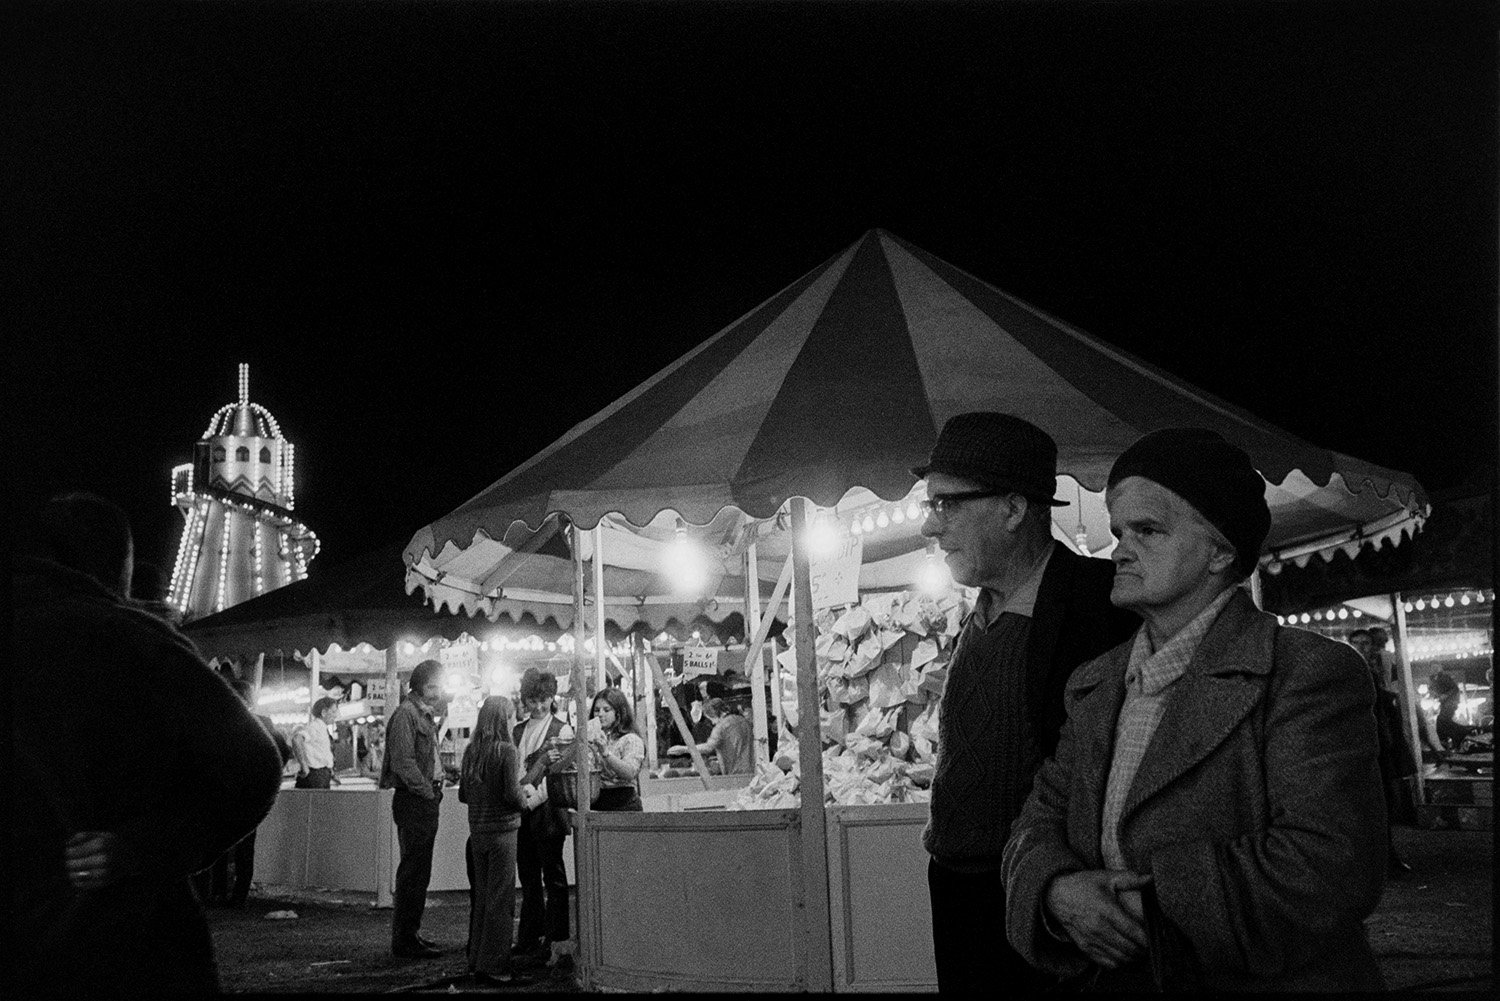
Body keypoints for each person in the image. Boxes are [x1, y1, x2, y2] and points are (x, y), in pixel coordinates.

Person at [1003, 428, 1387, 991]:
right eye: (1119, 531)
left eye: (1148, 530)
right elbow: (1036, 822)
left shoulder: (1305, 674)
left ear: (1221, 551)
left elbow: (1331, 866)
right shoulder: (1096, 684)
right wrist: (1057, 889)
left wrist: (1141, 907)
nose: (1121, 549)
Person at [12, 492, 283, 994]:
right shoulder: (133, 640)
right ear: (120, 565)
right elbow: (254, 764)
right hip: (125, 940)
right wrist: (146, 845)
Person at [911, 412, 1139, 994]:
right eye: (932, 506)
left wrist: (1055, 882)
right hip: (957, 888)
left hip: (1039, 901)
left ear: (1014, 509)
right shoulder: (980, 610)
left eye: (948, 505)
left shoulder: (1097, 604)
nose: (930, 528)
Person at [196, 679, 294, 907]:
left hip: (221, 791)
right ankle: (238, 893)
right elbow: (284, 750)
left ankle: (218, 890)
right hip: (249, 792)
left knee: (220, 843)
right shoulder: (263, 723)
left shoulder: (217, 722)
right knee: (243, 845)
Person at [458, 696, 528, 985]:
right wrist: (526, 800)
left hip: (478, 832)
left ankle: (476, 960)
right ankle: (496, 966)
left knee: (484, 898)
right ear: (504, 719)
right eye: (512, 716)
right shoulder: (507, 751)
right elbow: (512, 795)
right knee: (502, 900)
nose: (514, 721)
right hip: (503, 831)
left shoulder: (471, 751)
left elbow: (463, 794)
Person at [381, 659, 447, 959]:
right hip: (414, 801)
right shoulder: (406, 715)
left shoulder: (422, 715)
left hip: (422, 800)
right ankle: (405, 940)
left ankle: (411, 935)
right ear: (422, 686)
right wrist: (426, 791)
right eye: (435, 685)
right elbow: (403, 762)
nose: (439, 691)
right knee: (413, 872)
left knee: (419, 872)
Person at [513, 668, 573, 963]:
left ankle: (556, 936)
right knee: (528, 877)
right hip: (522, 811)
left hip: (547, 811)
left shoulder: (563, 729)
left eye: (543, 699)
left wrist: (531, 799)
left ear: (552, 698)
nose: (537, 706)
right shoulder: (517, 730)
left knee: (553, 875)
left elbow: (557, 775)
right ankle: (529, 935)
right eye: (532, 700)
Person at [1350, 627, 1418, 878]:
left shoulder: (1373, 670)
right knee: (1377, 803)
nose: (1361, 647)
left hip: (1380, 745)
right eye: (1356, 643)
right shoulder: (1354, 672)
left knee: (1384, 802)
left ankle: (1382, 857)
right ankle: (1381, 859)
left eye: (1365, 643)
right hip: (1369, 746)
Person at [589, 687, 646, 811]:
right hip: (597, 802)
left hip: (623, 803)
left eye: (606, 710)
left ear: (618, 713)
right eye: (597, 710)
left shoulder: (630, 740)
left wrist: (606, 753)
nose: (600, 714)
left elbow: (630, 772)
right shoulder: (591, 740)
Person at [692, 697, 754, 775]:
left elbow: (708, 747)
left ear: (714, 713)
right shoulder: (744, 721)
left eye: (711, 719)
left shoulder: (721, 727)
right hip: (751, 769)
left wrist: (685, 749)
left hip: (734, 772)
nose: (713, 723)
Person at [292, 697, 342, 789]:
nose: (336, 715)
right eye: (333, 711)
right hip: (315, 776)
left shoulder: (322, 728)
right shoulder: (314, 727)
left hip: (322, 775)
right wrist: (304, 767)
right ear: (323, 712)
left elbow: (324, 754)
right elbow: (296, 739)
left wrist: (332, 773)